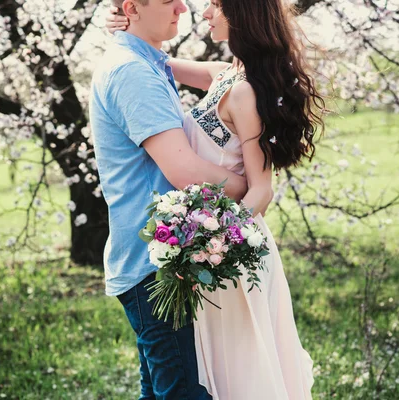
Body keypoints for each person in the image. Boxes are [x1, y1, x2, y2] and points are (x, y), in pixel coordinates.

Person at [105, 0, 325, 399]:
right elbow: (160, 63)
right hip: (201, 236)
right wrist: (127, 26)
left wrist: (215, 241)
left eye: (214, 5)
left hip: (225, 243)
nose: (202, 12)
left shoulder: (245, 93)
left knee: (232, 374)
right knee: (196, 376)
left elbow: (262, 187)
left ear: (242, 13)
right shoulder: (226, 75)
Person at [89, 0, 252, 398]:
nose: (183, 6)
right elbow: (186, 172)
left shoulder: (146, 62)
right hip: (154, 267)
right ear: (132, 6)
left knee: (164, 391)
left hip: (158, 258)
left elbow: (228, 76)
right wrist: (254, 184)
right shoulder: (132, 72)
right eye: (168, 0)